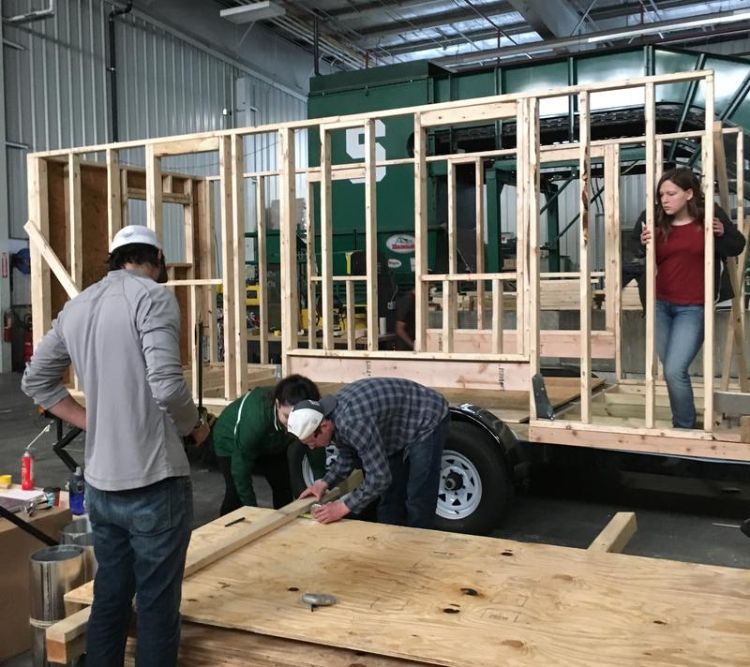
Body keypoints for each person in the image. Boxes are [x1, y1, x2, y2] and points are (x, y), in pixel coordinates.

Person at [22, 224, 209, 667]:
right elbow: (166, 385)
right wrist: (194, 427)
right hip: (154, 482)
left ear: (114, 258)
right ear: (156, 259)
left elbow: (36, 381)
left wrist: (94, 423)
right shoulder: (154, 297)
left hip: (102, 487)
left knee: (110, 597)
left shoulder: (77, 307)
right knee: (157, 608)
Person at [638, 168, 745, 428]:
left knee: (675, 371)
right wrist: (642, 243)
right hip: (660, 305)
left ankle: (684, 428)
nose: (664, 199)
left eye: (671, 193)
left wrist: (722, 233)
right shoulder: (652, 217)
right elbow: (636, 251)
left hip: (694, 308)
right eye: (661, 194)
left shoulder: (709, 214)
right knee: (671, 372)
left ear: (688, 193)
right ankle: (684, 425)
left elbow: (737, 245)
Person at [287, 377, 450, 529]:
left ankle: (419, 546)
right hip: (396, 427)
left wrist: (342, 507)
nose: (312, 447)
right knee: (389, 497)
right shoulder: (328, 415)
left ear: (324, 427)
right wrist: (324, 483)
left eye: (311, 442)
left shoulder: (352, 422)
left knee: (418, 496)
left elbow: (379, 477)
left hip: (427, 417)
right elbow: (347, 456)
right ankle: (390, 543)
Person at [212, 374, 319, 515]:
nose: (292, 423)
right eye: (287, 416)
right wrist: (253, 512)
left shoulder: (311, 412)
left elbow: (317, 448)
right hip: (230, 441)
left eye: (297, 418)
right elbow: (240, 470)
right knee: (236, 494)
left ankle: (284, 527)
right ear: (277, 404)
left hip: (271, 441)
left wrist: (320, 483)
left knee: (282, 484)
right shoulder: (256, 419)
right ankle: (225, 533)